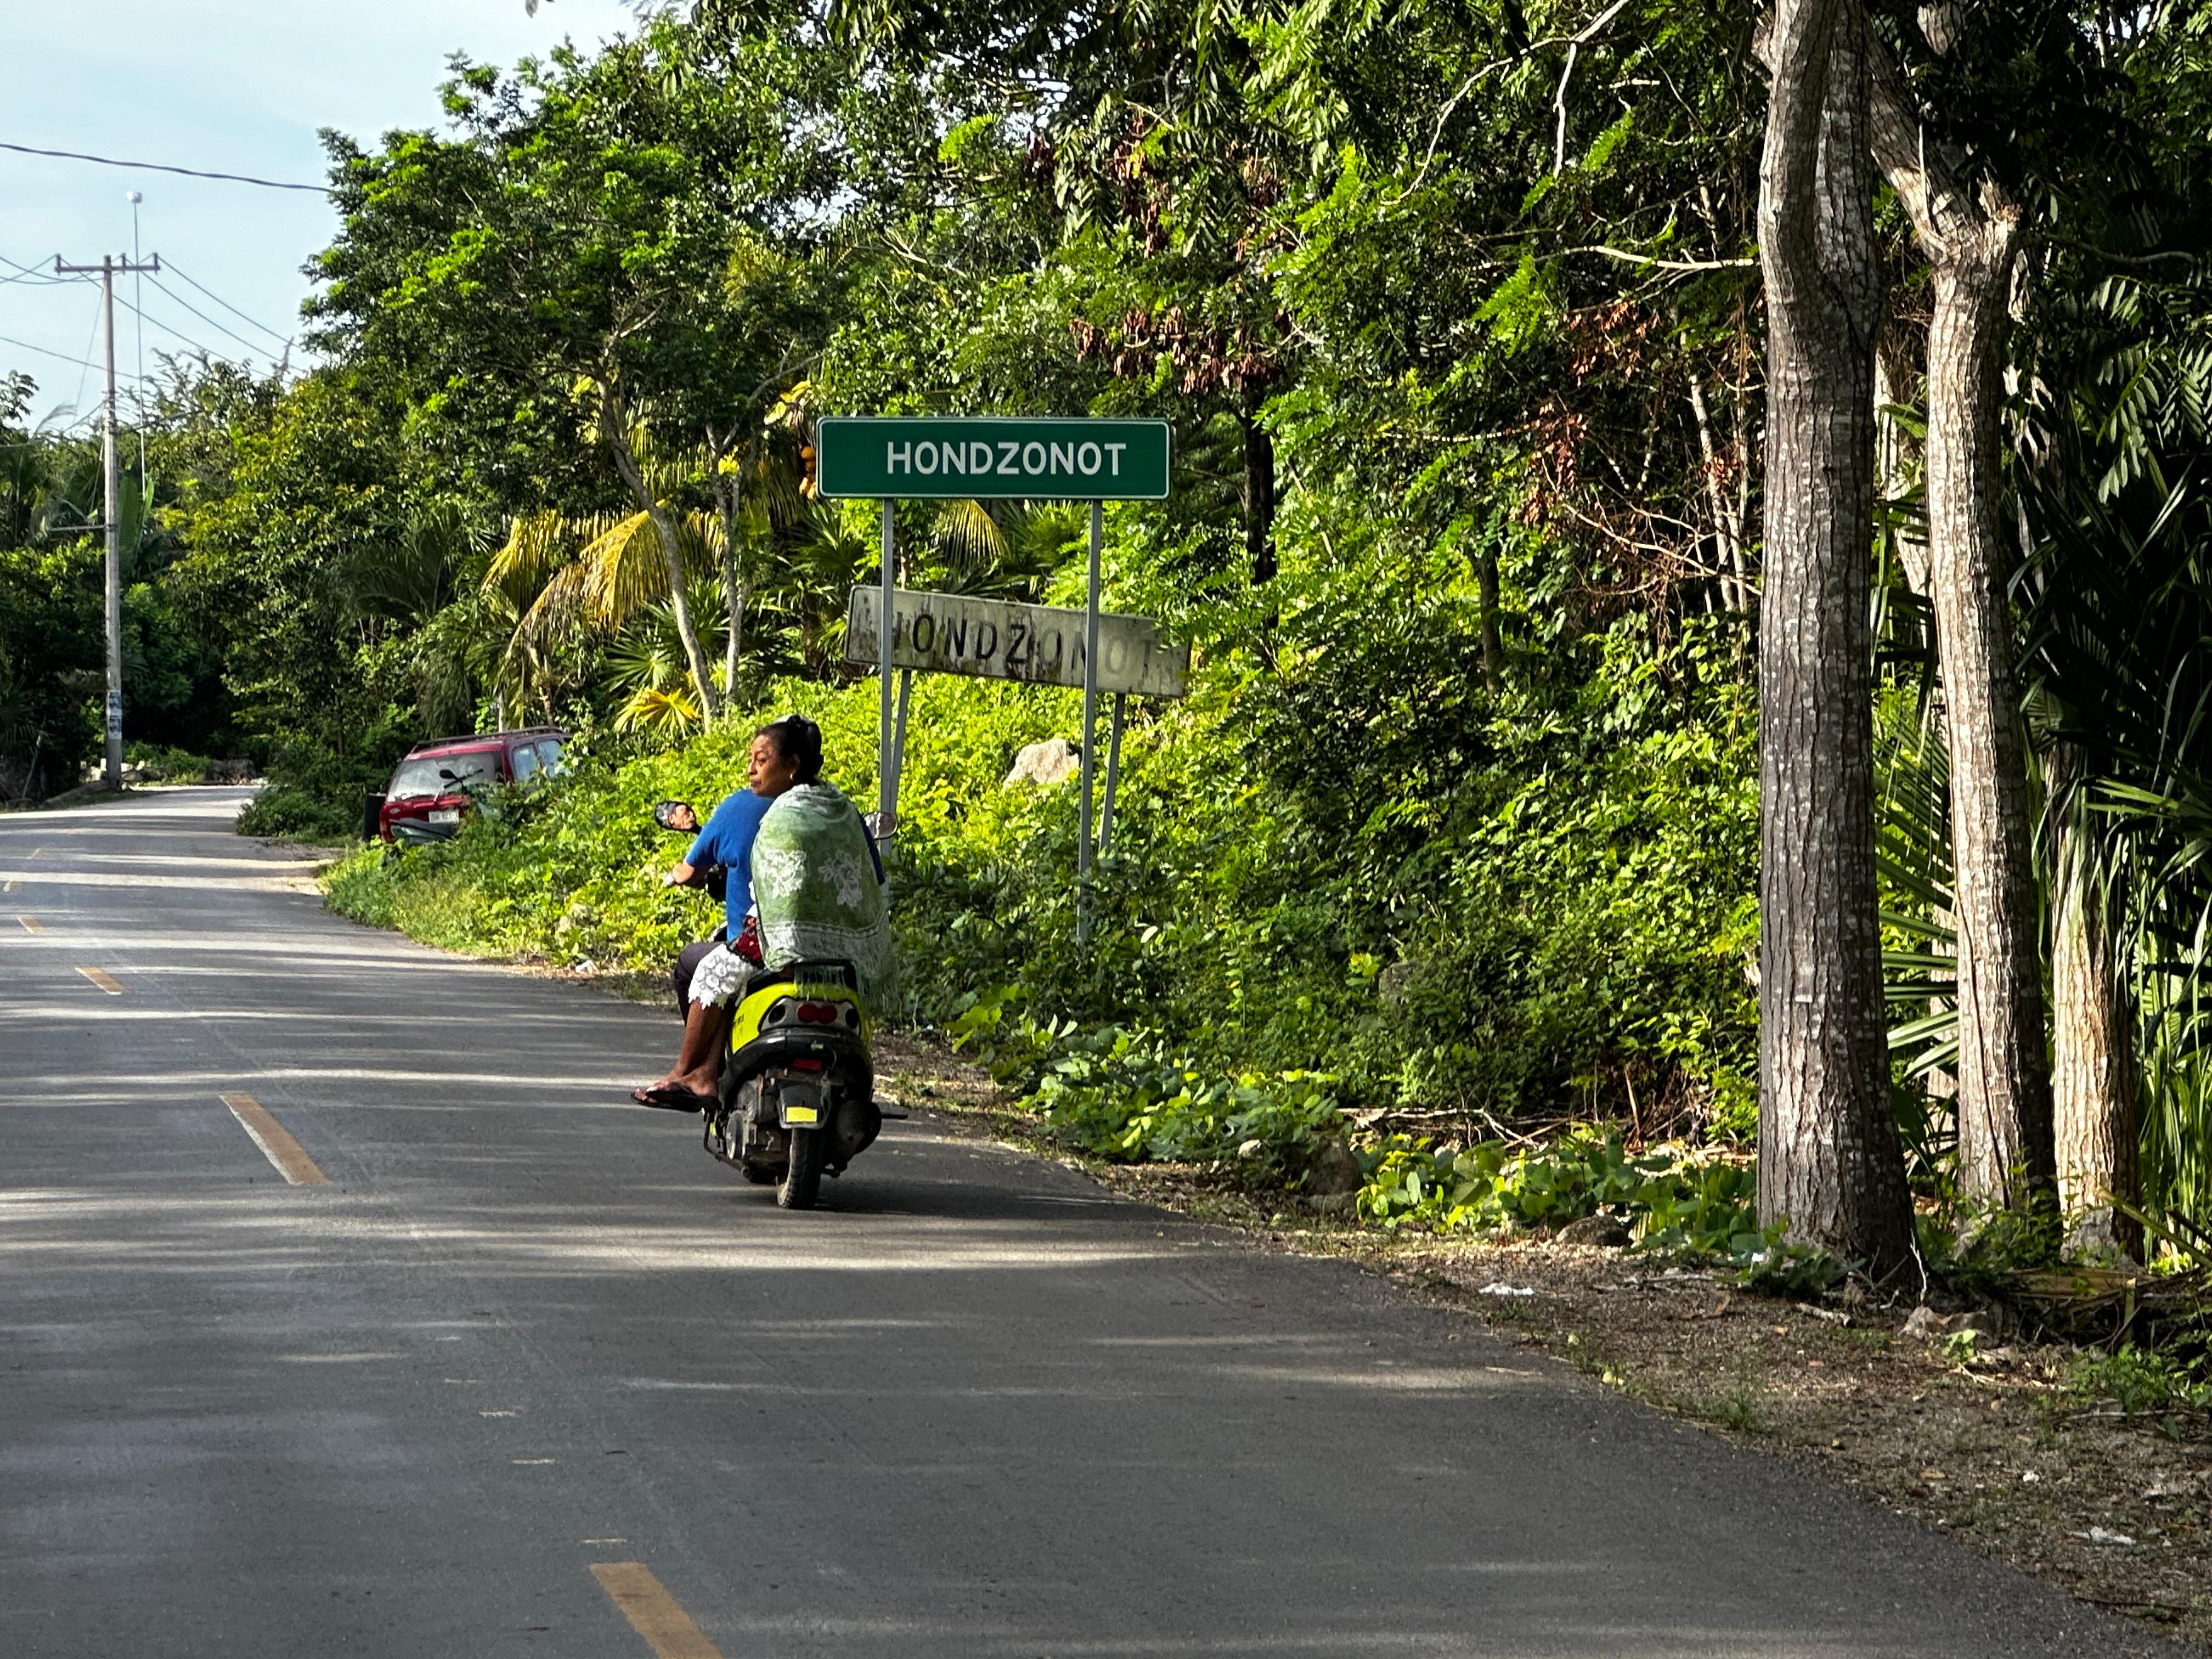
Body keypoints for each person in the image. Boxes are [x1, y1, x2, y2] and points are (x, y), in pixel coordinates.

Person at [634, 715, 885, 1108]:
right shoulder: (839, 808)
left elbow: (767, 889)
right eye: (751, 759)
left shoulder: (770, 812)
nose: (751, 768)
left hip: (783, 944)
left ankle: (690, 1073)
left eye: (762, 759)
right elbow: (873, 880)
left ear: (792, 766)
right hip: (843, 956)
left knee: (710, 972)